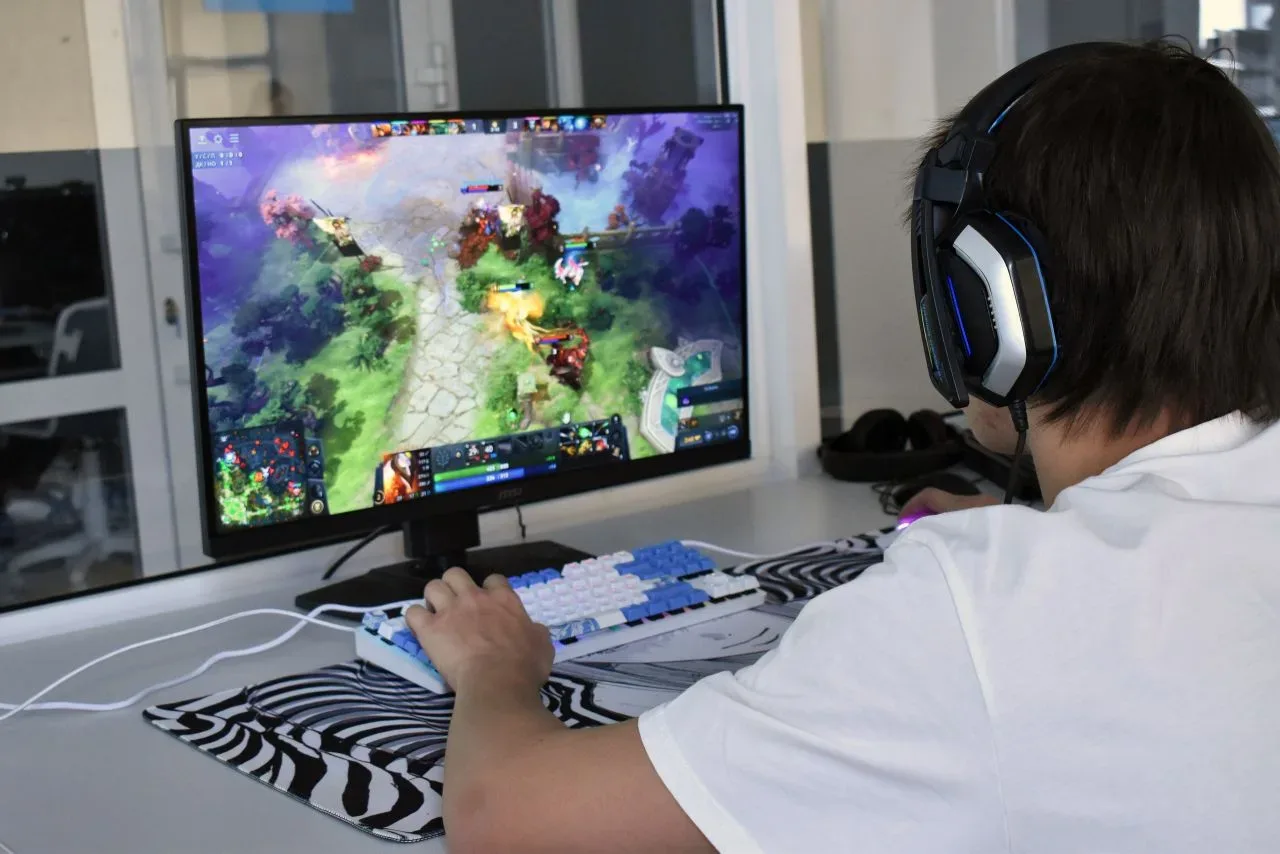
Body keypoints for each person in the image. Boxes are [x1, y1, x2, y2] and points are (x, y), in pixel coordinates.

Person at [405, 41, 1280, 853]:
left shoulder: (977, 610)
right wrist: (1038, 529)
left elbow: (506, 822)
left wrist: (494, 668)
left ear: (990, 312)